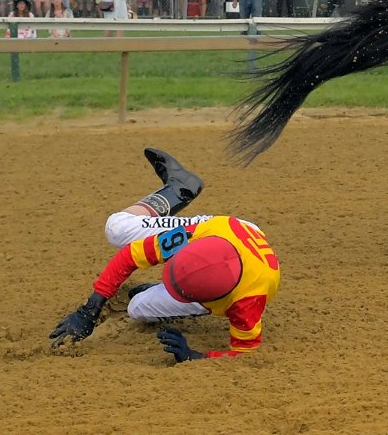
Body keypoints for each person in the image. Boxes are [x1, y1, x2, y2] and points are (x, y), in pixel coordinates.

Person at [49, 148, 280, 362]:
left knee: (137, 309)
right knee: (116, 228)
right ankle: (178, 188)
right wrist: (88, 310)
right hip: (227, 231)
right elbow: (131, 255)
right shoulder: (192, 236)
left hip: (245, 271)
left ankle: (174, 296)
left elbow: (244, 352)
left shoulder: (247, 302)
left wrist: (195, 356)